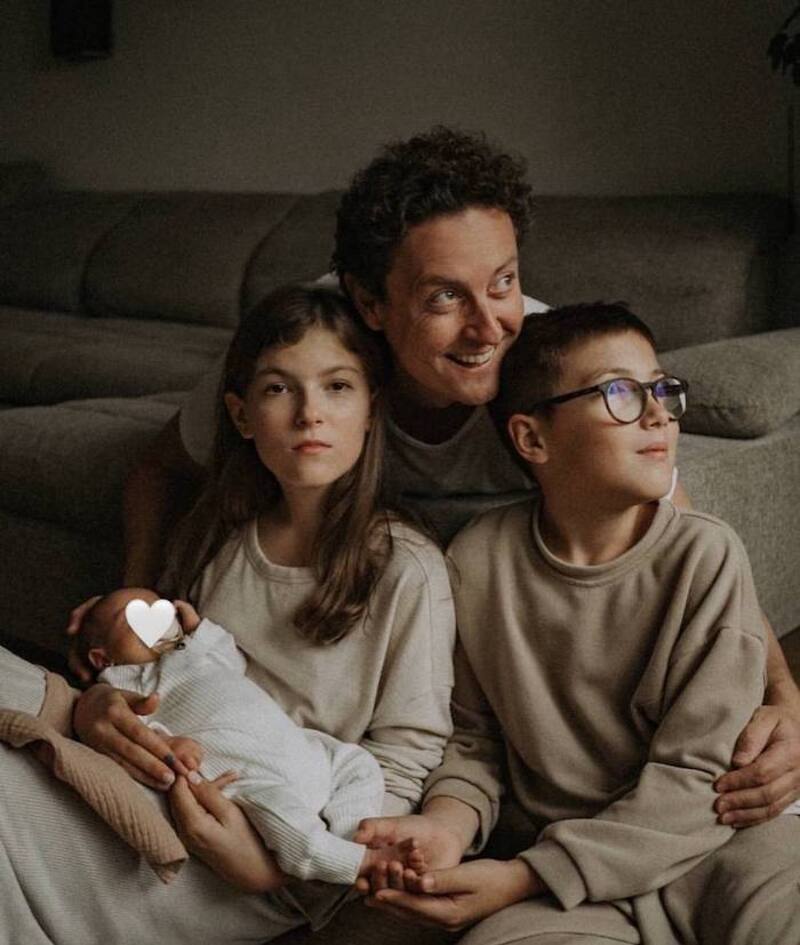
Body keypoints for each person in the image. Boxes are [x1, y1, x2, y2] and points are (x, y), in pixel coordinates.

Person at [70, 126, 800, 829]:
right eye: (445, 297)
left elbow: (680, 539)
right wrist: (133, 625)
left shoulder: (544, 372)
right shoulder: (310, 355)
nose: (488, 328)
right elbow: (158, 468)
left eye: (503, 282)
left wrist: (782, 695)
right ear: (371, 303)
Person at [0, 284, 454, 943]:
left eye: (337, 387)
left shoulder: (406, 567)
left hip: (256, 837)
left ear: (371, 410)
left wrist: (287, 871)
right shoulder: (217, 537)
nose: (309, 414)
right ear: (241, 415)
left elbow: (407, 757)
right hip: (167, 769)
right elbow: (148, 663)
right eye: (279, 389)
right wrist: (100, 691)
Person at [356, 304, 800, 945]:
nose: (656, 414)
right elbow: (474, 741)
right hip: (567, 880)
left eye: (661, 390)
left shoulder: (705, 554)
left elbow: (700, 776)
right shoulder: (476, 561)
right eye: (619, 393)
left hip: (717, 846)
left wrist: (522, 877)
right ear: (533, 440)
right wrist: (448, 827)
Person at [78, 586, 426, 888]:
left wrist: (199, 630)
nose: (155, 621)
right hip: (245, 770)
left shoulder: (191, 650)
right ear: (102, 658)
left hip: (296, 748)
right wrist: (166, 742)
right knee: (285, 822)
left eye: (160, 609)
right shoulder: (126, 680)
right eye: (133, 620)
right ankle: (355, 862)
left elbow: (233, 660)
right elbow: (132, 728)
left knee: (357, 763)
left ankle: (354, 834)